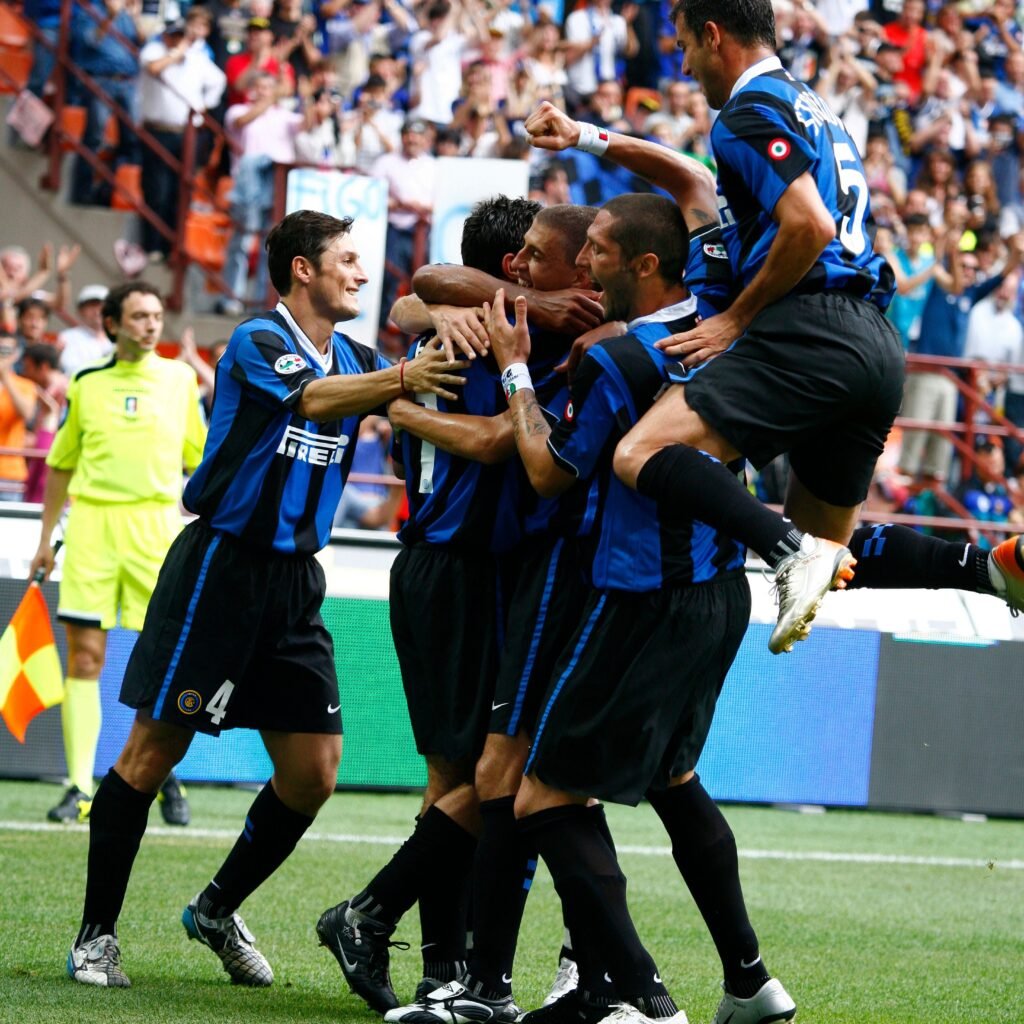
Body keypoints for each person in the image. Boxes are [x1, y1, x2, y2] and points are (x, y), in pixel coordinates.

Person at [57, 210, 465, 990]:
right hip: (220, 570)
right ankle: (95, 936)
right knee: (152, 752)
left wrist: (436, 324)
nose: (361, 271)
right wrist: (402, 380)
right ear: (302, 269)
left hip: (296, 583)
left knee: (314, 772)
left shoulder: (359, 355)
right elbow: (313, 401)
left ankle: (215, 909)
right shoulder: (257, 339)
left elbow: (407, 324)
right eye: (347, 259)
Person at [483, 192, 794, 1024]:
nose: (584, 264)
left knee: (543, 797)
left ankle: (648, 1003)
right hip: (722, 590)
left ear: (645, 265)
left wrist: (515, 371)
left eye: (598, 250)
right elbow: (693, 184)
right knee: (672, 778)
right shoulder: (726, 332)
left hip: (641, 599)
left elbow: (548, 472)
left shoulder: (620, 360)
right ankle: (749, 981)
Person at [316, 196, 569, 1016]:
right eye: (539, 256)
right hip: (470, 570)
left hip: (429, 563)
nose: (556, 270)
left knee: (453, 777)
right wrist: (404, 400)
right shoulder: (497, 339)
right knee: (503, 774)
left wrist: (407, 370)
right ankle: (371, 915)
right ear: (512, 268)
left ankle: (439, 970)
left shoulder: (438, 331)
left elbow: (409, 304)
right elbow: (500, 439)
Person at [602, 0, 906, 655]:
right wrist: (587, 137)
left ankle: (792, 556)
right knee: (826, 549)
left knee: (637, 453)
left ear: (713, 36)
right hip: (876, 343)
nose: (684, 65)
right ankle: (988, 569)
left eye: (684, 46)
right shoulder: (812, 106)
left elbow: (810, 225)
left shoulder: (745, 111)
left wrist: (735, 319)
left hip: (808, 328)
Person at [28, 282, 206, 827]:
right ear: (112, 324)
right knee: (84, 658)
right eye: (139, 316)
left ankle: (163, 774)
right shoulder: (86, 384)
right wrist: (44, 541)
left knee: (164, 661)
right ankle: (79, 786)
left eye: (156, 315)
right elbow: (61, 465)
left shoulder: (180, 380)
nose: (151, 325)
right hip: (91, 529)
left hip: (156, 530)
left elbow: (202, 459)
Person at [138, 13, 226, 260]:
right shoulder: (153, 50)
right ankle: (152, 246)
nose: (177, 40)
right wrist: (177, 55)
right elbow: (153, 68)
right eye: (173, 35)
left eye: (180, 36)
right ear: (165, 36)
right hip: (157, 130)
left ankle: (171, 248)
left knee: (179, 192)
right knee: (156, 190)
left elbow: (219, 81)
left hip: (186, 134)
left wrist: (203, 106)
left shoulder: (197, 58)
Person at [0, 333, 37, 500]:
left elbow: (27, 413)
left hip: (10, 472)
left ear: (16, 354)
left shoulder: (25, 385)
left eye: (6, 351)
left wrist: (5, 377)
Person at [57, 285, 112, 377]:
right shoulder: (68, 337)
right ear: (80, 311)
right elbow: (70, 370)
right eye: (91, 306)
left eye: (101, 306)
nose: (97, 311)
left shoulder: (119, 338)